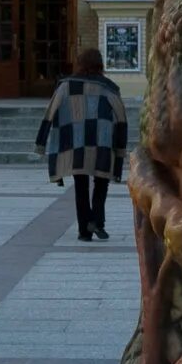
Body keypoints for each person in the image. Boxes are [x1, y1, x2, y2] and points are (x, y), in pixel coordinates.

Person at [34, 47, 128, 240]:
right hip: (101, 143)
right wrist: (120, 149)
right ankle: (97, 221)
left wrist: (41, 143)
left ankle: (84, 231)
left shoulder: (66, 86)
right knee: (101, 183)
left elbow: (49, 112)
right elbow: (121, 119)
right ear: (100, 65)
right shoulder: (108, 87)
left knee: (81, 186)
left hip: (75, 144)